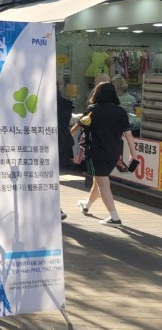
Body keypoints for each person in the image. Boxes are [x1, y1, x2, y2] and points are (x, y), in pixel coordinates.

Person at [71, 81, 136, 226]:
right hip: (114, 154)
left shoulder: (93, 110)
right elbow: (129, 136)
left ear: (97, 94)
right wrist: (133, 154)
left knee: (103, 183)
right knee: (99, 180)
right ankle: (86, 205)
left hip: (96, 153)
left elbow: (76, 128)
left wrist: (64, 137)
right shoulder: (121, 112)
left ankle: (114, 217)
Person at [57, 88, 75, 221]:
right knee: (54, 175)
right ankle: (56, 207)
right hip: (63, 141)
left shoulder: (39, 102)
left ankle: (55, 207)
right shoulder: (67, 104)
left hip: (45, 142)